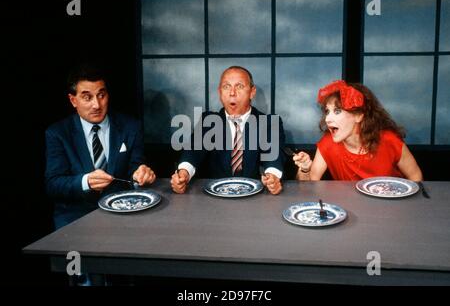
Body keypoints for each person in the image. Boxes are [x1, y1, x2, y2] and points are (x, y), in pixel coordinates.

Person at [45, 63, 156, 229]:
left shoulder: (130, 127)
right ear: (73, 100)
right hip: (74, 219)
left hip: (123, 214)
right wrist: (86, 181)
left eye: (101, 95)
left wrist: (141, 175)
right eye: (87, 97)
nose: (96, 105)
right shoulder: (58, 133)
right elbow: (53, 184)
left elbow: (135, 168)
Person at [171, 66, 286, 195]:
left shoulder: (269, 123)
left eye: (239, 86)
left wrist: (273, 177)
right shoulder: (208, 121)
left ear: (252, 92)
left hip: (255, 198)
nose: (232, 93)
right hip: (215, 199)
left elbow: (273, 157)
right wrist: (183, 174)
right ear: (220, 92)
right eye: (226, 87)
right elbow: (193, 152)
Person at [293, 80, 423, 181]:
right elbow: (309, 186)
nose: (327, 119)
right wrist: (305, 170)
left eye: (337, 111)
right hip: (351, 210)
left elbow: (416, 177)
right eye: (327, 111)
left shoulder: (389, 140)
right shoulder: (328, 143)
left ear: (359, 115)